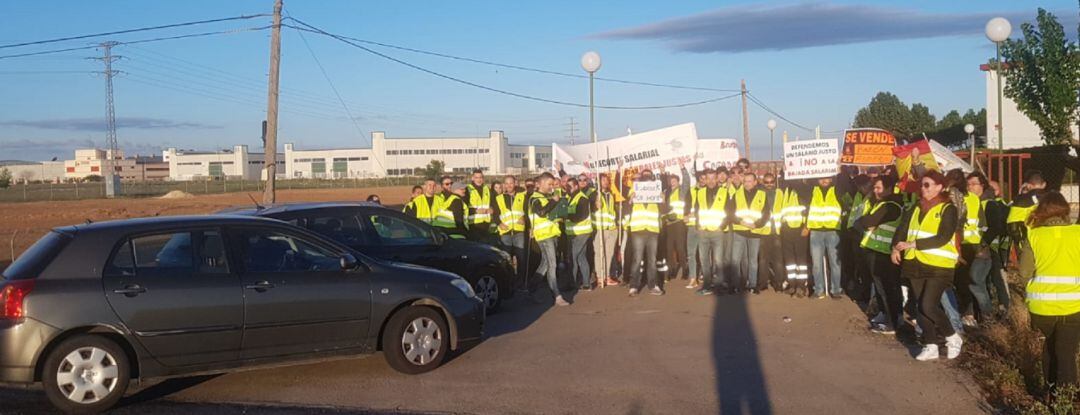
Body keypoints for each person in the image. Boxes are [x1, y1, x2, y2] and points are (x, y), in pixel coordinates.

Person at [892, 171, 963, 361]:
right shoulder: (916, 207)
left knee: (928, 305)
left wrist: (913, 244)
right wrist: (896, 248)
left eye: (927, 185)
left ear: (939, 187)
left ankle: (952, 337)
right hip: (915, 263)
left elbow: (944, 236)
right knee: (920, 307)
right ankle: (931, 344)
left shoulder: (948, 209)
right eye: (922, 185)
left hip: (939, 266)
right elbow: (903, 228)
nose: (923, 189)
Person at [1019, 192, 1080, 388]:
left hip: (1041, 306)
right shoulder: (1078, 233)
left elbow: (1025, 272)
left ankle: (1051, 393)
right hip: (1074, 305)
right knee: (1066, 352)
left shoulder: (1034, 235)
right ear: (1065, 211)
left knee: (1050, 348)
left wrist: (1032, 292)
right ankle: (1066, 399)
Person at [855, 175, 904, 334]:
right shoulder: (880, 204)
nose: (875, 191)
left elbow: (867, 222)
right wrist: (867, 222)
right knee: (879, 287)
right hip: (875, 250)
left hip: (885, 253)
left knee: (887, 288)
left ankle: (892, 322)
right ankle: (885, 314)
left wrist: (868, 223)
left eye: (878, 188)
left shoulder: (890, 206)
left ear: (888, 188)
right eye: (874, 187)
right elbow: (863, 221)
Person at [529, 173, 569, 306]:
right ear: (540, 184)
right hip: (544, 236)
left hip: (552, 234)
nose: (552, 187)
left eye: (553, 184)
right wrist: (554, 201)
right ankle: (557, 296)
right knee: (552, 264)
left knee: (545, 264)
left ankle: (532, 288)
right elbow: (541, 212)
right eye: (549, 184)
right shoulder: (535, 198)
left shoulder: (547, 197)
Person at [625, 169, 664, 296]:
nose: (647, 181)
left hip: (652, 230)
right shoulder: (634, 190)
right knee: (637, 259)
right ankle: (633, 286)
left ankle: (653, 285)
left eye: (649, 179)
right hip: (638, 230)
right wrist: (631, 200)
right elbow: (628, 206)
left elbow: (664, 209)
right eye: (644, 179)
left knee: (652, 260)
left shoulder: (657, 191)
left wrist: (663, 200)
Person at [962, 172, 995, 324]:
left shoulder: (989, 203)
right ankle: (973, 314)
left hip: (981, 250)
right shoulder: (967, 200)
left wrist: (984, 245)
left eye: (973, 184)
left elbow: (988, 228)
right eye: (968, 184)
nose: (970, 187)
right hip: (968, 247)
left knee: (977, 282)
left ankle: (987, 316)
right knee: (970, 282)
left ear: (982, 185)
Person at [730, 172, 769, 294]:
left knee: (753, 261)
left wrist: (756, 224)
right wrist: (740, 222)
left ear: (755, 182)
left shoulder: (762, 195)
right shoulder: (737, 194)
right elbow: (730, 212)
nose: (747, 183)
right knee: (735, 260)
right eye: (745, 181)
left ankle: (752, 285)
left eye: (750, 181)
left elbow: (766, 213)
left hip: (755, 231)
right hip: (739, 231)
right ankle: (736, 285)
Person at [694, 168, 730, 296]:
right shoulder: (700, 192)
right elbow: (697, 209)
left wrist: (722, 225)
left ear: (716, 179)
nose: (710, 181)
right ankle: (707, 285)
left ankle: (719, 286)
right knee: (704, 260)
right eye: (707, 178)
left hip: (717, 232)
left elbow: (728, 211)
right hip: (703, 231)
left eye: (712, 178)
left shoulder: (724, 192)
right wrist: (697, 225)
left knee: (718, 261)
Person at [808, 176, 845, 299]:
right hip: (815, 231)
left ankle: (836, 290)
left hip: (833, 231)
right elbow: (799, 187)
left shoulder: (837, 190)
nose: (824, 180)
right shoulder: (812, 190)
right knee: (816, 264)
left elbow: (847, 183)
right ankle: (819, 290)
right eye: (821, 178)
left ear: (832, 178)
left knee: (835, 262)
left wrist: (840, 170)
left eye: (827, 178)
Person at [494, 176, 527, 284]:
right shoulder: (499, 198)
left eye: (511, 183)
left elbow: (527, 212)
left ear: (515, 183)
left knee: (520, 257)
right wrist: (499, 223)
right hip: (506, 232)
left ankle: (521, 280)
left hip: (519, 231)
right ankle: (508, 280)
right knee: (507, 258)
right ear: (504, 185)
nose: (509, 185)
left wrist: (524, 218)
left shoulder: (522, 197)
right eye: (507, 183)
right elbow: (495, 214)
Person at [780, 179, 811, 297]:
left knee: (801, 260)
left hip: (800, 230)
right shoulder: (786, 190)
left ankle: (801, 286)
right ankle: (792, 285)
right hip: (787, 229)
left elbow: (808, 210)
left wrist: (806, 226)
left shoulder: (804, 190)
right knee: (790, 261)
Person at [985, 180, 1012, 314]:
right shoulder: (984, 203)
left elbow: (1004, 231)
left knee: (998, 276)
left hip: (997, 247)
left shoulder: (1003, 206)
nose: (990, 191)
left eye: (993, 189)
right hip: (987, 247)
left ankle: (1004, 305)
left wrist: (1004, 254)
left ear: (999, 191)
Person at [756, 173, 785, 293]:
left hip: (777, 231)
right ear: (763, 182)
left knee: (778, 260)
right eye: (766, 182)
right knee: (763, 259)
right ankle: (763, 283)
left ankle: (778, 283)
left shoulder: (780, 193)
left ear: (774, 181)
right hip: (764, 231)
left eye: (771, 182)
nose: (769, 184)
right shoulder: (759, 193)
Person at [663, 164, 691, 282]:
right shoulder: (667, 192)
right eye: (671, 181)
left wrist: (683, 168)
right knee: (669, 249)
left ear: (678, 182)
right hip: (669, 224)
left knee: (680, 248)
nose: (673, 182)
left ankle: (685, 269)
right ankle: (672, 270)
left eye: (675, 180)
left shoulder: (681, 191)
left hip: (679, 223)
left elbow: (687, 181)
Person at [566, 176, 594, 291]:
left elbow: (580, 216)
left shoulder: (582, 198)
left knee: (572, 257)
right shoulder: (571, 197)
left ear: (576, 186)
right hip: (575, 232)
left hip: (581, 232)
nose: (567, 188)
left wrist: (566, 215)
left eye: (570, 186)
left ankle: (572, 284)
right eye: (566, 186)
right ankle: (587, 284)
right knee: (581, 258)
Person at [1007, 170, 1048, 249]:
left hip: (1030, 241)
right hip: (1051, 240)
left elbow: (1013, 226)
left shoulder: (1020, 200)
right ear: (1044, 184)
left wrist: (1019, 242)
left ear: (1028, 185)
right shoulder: (1053, 199)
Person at [593, 172, 619, 287]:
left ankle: (607, 276)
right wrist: (595, 204)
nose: (605, 182)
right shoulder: (594, 194)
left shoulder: (610, 194)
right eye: (603, 180)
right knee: (599, 254)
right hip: (600, 228)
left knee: (609, 254)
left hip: (611, 228)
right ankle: (599, 276)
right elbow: (591, 206)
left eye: (606, 180)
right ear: (598, 182)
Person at [685, 169, 704, 289]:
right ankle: (693, 278)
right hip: (692, 226)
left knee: (704, 254)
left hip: (704, 226)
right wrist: (685, 215)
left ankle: (703, 275)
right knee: (691, 253)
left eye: (705, 178)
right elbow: (686, 206)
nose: (703, 181)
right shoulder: (691, 190)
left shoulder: (712, 191)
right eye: (701, 179)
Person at [465, 170, 493, 241]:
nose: (479, 180)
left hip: (486, 223)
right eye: (476, 177)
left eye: (480, 177)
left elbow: (492, 203)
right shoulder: (468, 189)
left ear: (483, 178)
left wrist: (492, 209)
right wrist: (476, 211)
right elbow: (464, 207)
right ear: (472, 178)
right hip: (474, 224)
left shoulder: (487, 189)